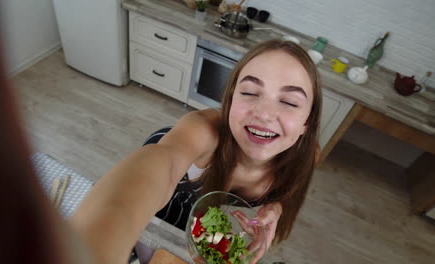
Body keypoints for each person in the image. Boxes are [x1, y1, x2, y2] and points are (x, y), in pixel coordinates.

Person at [71, 39, 322, 263]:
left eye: (290, 102)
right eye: (249, 92)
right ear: (231, 100)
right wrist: (97, 243)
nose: (264, 114)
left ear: (306, 123)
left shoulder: (307, 155)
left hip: (196, 220)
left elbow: (289, 191)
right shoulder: (203, 131)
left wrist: (276, 207)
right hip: (162, 205)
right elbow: (157, 169)